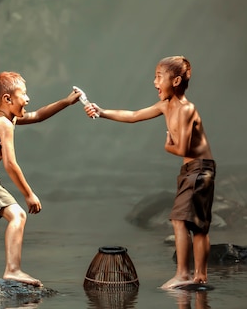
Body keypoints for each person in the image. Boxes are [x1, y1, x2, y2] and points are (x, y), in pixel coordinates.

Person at [83, 56, 216, 289]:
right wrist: (102, 112)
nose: (154, 82)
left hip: (199, 169)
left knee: (181, 220)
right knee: (196, 225)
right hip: (192, 169)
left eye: (158, 77)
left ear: (175, 81)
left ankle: (185, 274)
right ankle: (199, 276)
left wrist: (167, 146)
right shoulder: (166, 106)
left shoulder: (186, 109)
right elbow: (134, 116)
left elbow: (182, 148)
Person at [0, 71, 81, 290]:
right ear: (7, 99)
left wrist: (66, 102)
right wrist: (28, 194)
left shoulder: (5, 118)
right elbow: (10, 164)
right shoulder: (3, 124)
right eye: (23, 94)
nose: (27, 99)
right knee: (18, 215)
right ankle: (12, 270)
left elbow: (37, 115)